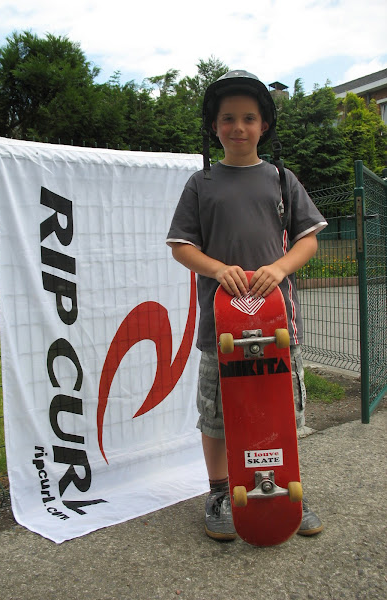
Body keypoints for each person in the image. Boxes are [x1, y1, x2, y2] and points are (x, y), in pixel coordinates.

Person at [166, 70, 327, 541]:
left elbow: (308, 242)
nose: (239, 127)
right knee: (216, 413)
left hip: (279, 324)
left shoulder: (281, 179)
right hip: (223, 327)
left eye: (249, 118)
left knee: (281, 410)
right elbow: (181, 246)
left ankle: (286, 491)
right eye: (228, 119)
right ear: (214, 126)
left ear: (264, 126)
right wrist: (217, 269)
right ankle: (219, 493)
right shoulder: (203, 183)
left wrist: (280, 268)